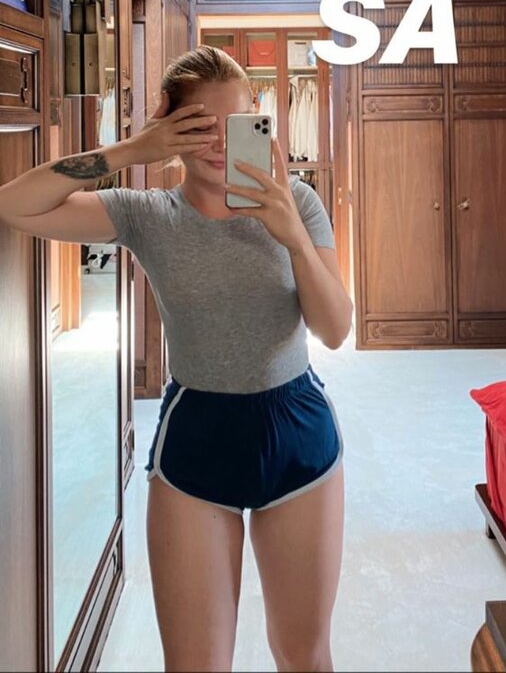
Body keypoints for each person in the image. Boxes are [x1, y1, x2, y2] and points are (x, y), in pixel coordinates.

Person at [0, 45, 353, 673]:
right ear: (169, 122)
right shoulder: (149, 216)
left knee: (306, 655)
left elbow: (334, 329)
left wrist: (293, 236)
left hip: (298, 433)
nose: (220, 144)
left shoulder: (297, 203)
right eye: (200, 127)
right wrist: (130, 151)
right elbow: (14, 204)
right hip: (196, 440)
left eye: (237, 124)